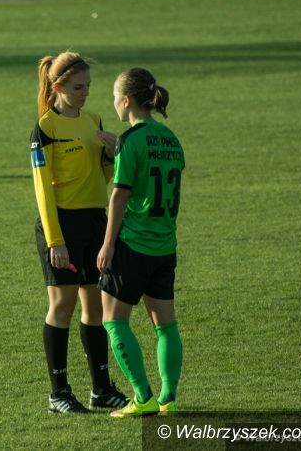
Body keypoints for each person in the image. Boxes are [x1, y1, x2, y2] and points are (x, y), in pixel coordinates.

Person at [31, 51, 128, 413]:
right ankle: (58, 393)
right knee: (63, 305)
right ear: (58, 87)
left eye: (88, 86)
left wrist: (112, 155)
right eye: (77, 87)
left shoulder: (94, 121)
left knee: (96, 306)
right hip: (62, 225)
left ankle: (101, 389)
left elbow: (105, 176)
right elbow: (42, 189)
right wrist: (55, 241)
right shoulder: (46, 128)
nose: (85, 93)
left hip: (95, 222)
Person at [97, 68, 185, 418]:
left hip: (133, 244)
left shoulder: (130, 141)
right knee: (165, 326)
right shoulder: (170, 138)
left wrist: (108, 245)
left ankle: (142, 396)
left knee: (113, 320)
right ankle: (168, 398)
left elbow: (120, 196)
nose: (113, 103)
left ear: (126, 100)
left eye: (114, 97)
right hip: (165, 246)